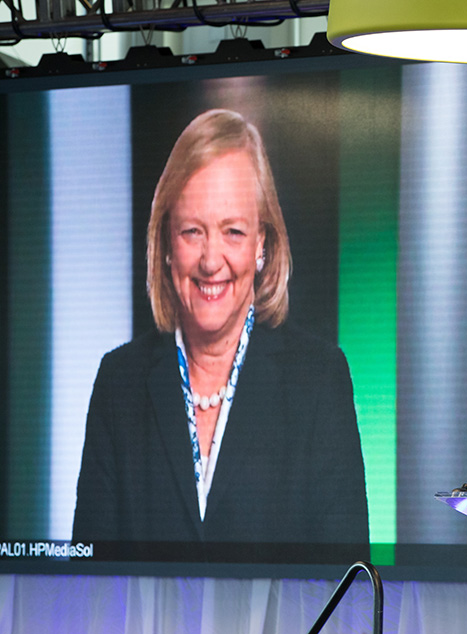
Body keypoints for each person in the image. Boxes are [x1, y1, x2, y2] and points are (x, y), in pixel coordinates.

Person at [73, 109, 369, 561]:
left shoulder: (319, 379)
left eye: (233, 231)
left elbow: (348, 584)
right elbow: (85, 582)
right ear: (167, 244)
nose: (212, 261)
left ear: (262, 245)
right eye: (192, 232)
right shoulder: (119, 381)